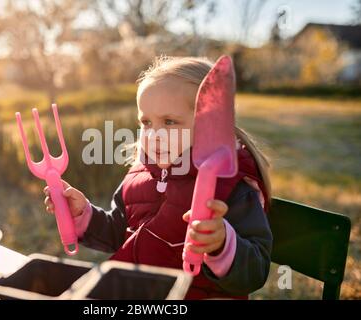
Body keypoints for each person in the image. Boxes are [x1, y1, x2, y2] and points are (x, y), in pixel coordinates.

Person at [44, 56, 273, 299]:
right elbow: (118, 233)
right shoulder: (139, 176)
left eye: (169, 122)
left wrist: (222, 244)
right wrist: (82, 214)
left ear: (210, 124)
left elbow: (255, 271)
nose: (154, 134)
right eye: (146, 122)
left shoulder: (231, 189)